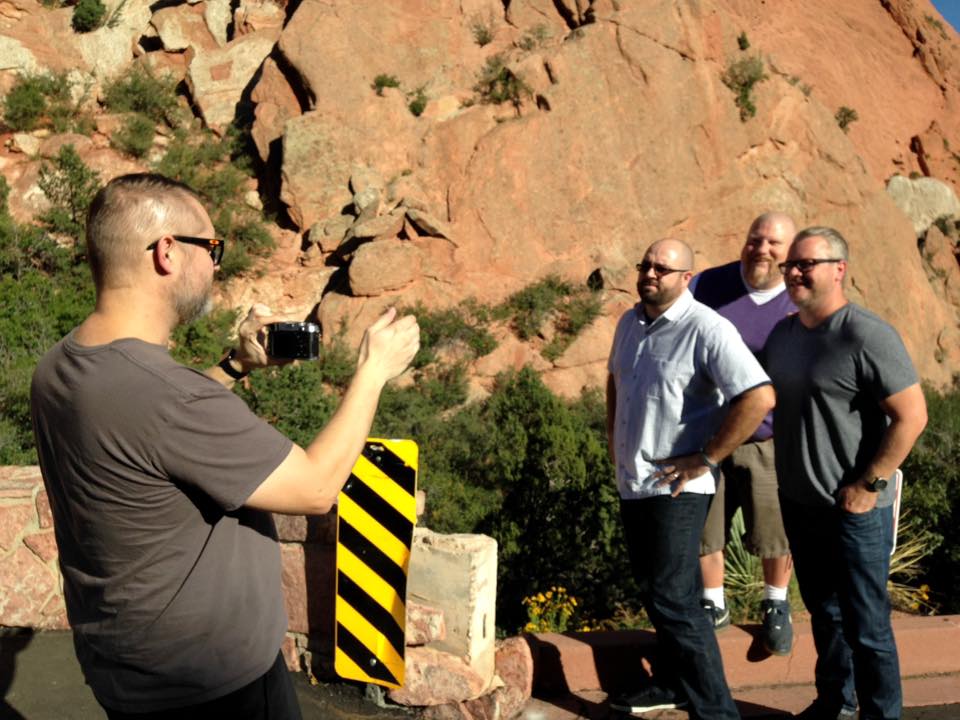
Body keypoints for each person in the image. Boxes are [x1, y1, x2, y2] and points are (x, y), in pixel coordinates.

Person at [30, 173, 420, 719]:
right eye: (211, 248)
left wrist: (235, 366)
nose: (216, 265)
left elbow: (146, 436)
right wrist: (374, 372)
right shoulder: (172, 398)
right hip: (214, 687)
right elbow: (315, 488)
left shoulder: (59, 366)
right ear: (167, 252)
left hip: (124, 671)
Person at [605, 239, 775, 718]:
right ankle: (673, 684)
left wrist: (707, 457)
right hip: (634, 481)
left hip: (677, 488)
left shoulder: (707, 328)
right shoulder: (629, 322)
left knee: (675, 598)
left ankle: (717, 712)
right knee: (654, 591)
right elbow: (615, 380)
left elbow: (759, 397)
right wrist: (613, 440)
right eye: (645, 265)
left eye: (662, 268)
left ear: (686, 278)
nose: (649, 273)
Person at [763, 227, 927, 720]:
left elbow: (912, 416)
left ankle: (881, 713)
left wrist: (869, 484)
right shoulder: (784, 335)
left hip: (854, 509)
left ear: (839, 269)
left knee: (867, 625)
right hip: (800, 502)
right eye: (790, 264)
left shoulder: (866, 334)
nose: (794, 272)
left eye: (805, 264)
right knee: (825, 614)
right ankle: (835, 703)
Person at [692, 212, 797, 655]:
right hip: (707, 433)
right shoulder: (706, 285)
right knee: (704, 524)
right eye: (756, 239)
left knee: (775, 527)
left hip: (767, 437)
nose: (762, 249)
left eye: (774, 243)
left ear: (791, 253)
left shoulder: (798, 296)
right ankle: (713, 602)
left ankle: (776, 603)